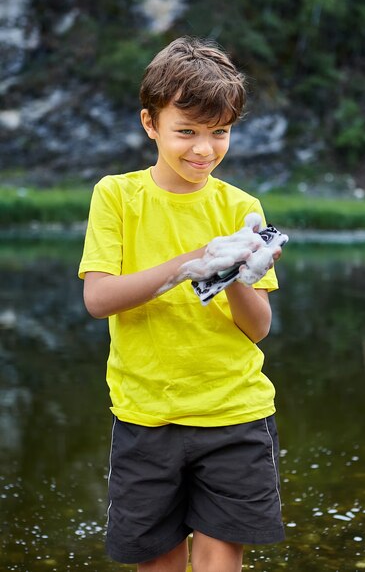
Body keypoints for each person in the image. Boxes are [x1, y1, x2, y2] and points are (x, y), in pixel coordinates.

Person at [78, 36, 285, 572]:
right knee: (159, 561)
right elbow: (98, 299)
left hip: (234, 413)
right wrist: (186, 265)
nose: (204, 149)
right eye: (186, 132)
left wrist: (241, 274)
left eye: (220, 133)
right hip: (147, 416)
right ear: (151, 124)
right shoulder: (117, 196)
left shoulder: (242, 208)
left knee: (220, 559)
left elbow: (258, 329)